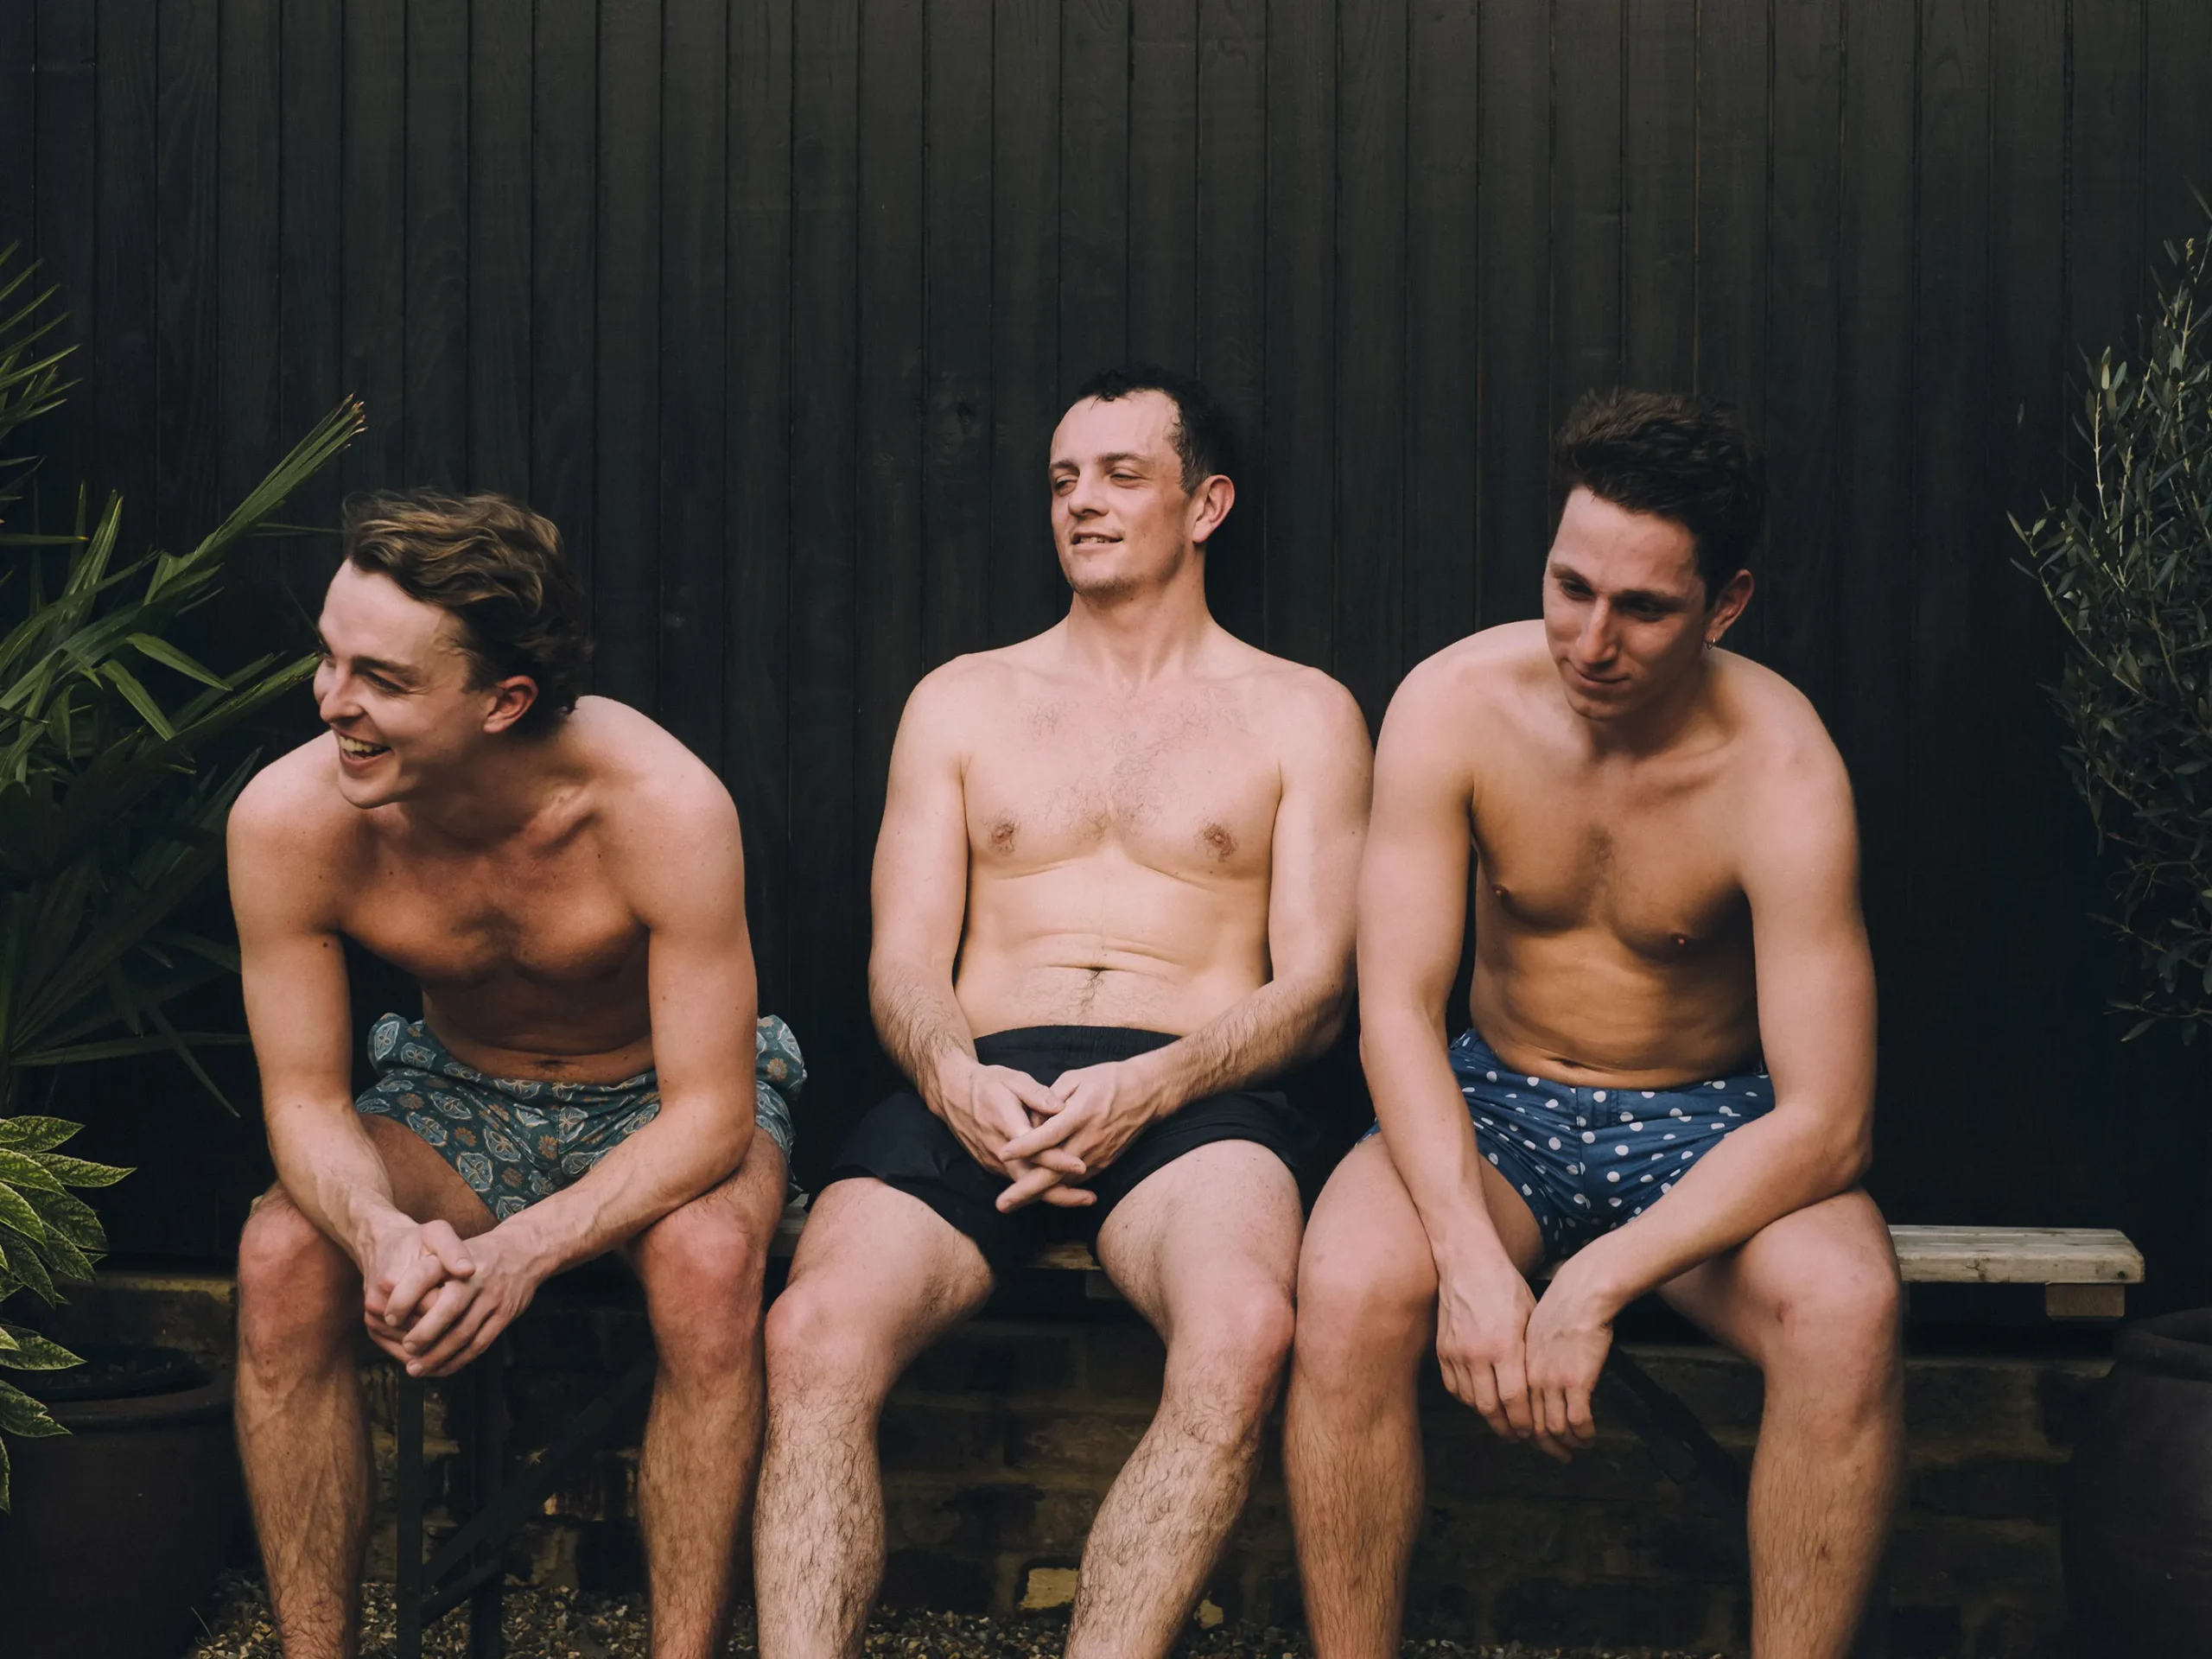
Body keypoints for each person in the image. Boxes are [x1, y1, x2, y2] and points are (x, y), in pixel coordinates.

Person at [751, 368, 1372, 1658]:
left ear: (1207, 504)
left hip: (1197, 1090)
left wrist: (1154, 1084)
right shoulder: (963, 699)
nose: (1082, 503)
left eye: (1119, 475)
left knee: (1245, 1329)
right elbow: (905, 959)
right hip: (980, 1081)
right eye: (1063, 479)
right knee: (811, 1333)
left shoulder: (1302, 713)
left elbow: (1316, 990)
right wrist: (954, 1078)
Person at [1286, 391, 1901, 1658]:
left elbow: (1830, 1122)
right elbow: (1394, 1009)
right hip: (1499, 1099)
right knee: (1349, 1286)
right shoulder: (1454, 704)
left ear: (1725, 605)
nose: (1591, 638)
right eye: (1571, 587)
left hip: (1709, 1122)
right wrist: (1466, 1257)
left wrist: (1593, 1286)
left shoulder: (1783, 771)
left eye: (1644, 608)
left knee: (1847, 1309)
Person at [228, 493, 802, 1659]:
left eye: (380, 680)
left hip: (656, 1096)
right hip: (453, 1092)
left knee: (710, 1264)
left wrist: (520, 1252)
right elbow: (304, 1101)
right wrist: (382, 1234)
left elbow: (711, 1113)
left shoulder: (662, 808)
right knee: (283, 1258)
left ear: (505, 701)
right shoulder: (291, 820)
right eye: (329, 659)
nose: (334, 703)